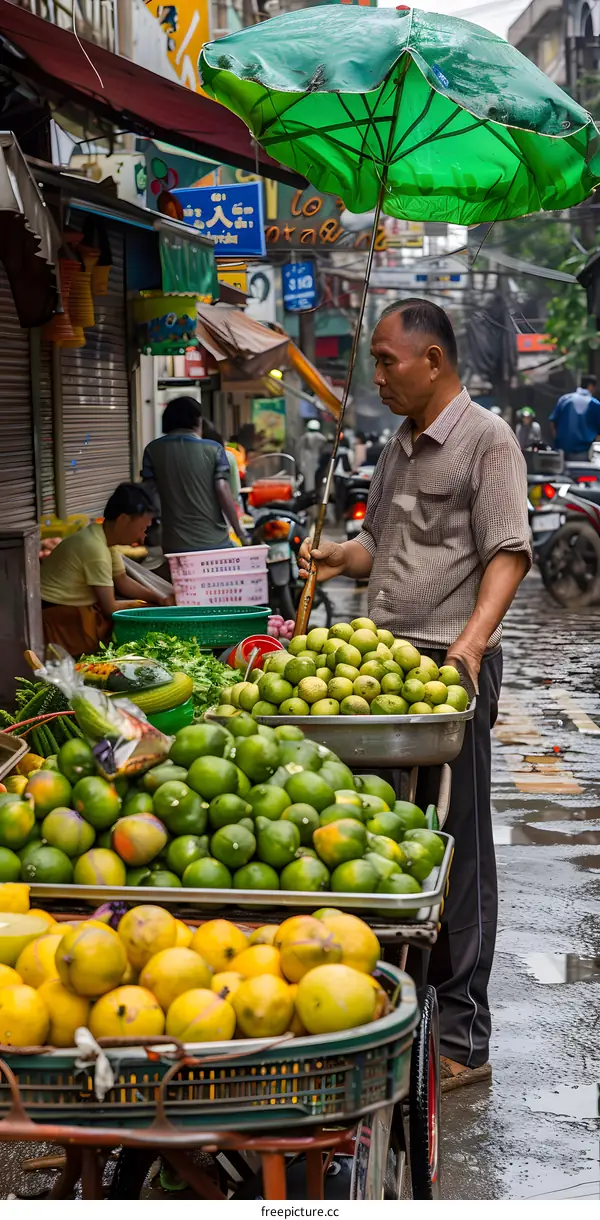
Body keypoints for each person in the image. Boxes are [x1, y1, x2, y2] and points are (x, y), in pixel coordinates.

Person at [299, 299, 530, 1090]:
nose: (378, 374)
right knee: (392, 845)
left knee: (457, 848)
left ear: (434, 361)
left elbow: (509, 553)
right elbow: (380, 544)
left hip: (448, 671)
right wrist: (337, 556)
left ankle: (464, 1038)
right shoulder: (397, 445)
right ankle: (405, 1008)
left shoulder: (487, 441)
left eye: (388, 360)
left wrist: (469, 646)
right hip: (380, 673)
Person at [40, 483, 166, 656]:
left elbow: (122, 581)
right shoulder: (94, 548)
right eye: (142, 529)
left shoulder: (102, 538)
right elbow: (110, 608)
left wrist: (158, 599)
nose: (142, 537)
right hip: (61, 619)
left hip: (75, 610)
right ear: (123, 520)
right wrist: (150, 607)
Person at [141, 397, 248, 554]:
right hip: (214, 542)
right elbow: (222, 489)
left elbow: (149, 493)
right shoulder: (214, 449)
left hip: (172, 544)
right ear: (198, 420)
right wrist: (241, 533)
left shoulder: (152, 450)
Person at [550, 375, 600, 459]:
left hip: (561, 452)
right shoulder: (595, 404)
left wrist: (558, 441)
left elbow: (552, 422)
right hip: (584, 453)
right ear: (591, 386)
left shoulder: (564, 399)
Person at [298, 419, 327, 492]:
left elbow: (299, 449)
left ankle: (309, 493)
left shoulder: (304, 437)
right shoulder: (322, 438)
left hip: (306, 459)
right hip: (316, 459)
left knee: (308, 478)